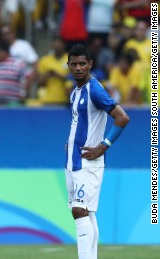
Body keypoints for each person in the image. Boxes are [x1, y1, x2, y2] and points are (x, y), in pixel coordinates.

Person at [65, 44, 130, 259]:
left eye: (82, 63)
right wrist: (71, 143)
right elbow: (81, 124)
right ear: (68, 66)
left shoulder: (95, 89)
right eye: (74, 64)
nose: (78, 68)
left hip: (88, 162)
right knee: (87, 212)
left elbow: (122, 118)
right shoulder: (75, 93)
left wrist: (103, 146)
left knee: (79, 211)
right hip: (73, 161)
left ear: (90, 64)